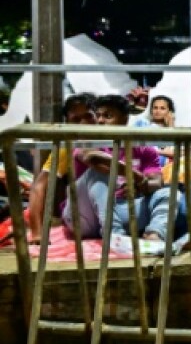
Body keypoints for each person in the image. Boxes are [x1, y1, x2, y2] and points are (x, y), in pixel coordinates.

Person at [64, 94, 179, 243]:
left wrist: (139, 186)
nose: (100, 121)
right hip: (84, 216)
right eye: (98, 115)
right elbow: (92, 158)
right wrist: (137, 177)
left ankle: (154, 237)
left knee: (169, 192)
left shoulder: (142, 148)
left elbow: (156, 182)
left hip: (121, 210)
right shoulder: (88, 142)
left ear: (124, 119)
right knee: (98, 172)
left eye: (108, 116)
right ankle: (114, 235)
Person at [26, 93, 96, 244]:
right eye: (76, 120)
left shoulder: (118, 140)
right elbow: (39, 187)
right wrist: (37, 233)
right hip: (85, 213)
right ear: (67, 122)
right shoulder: (67, 147)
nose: (83, 124)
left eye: (88, 116)